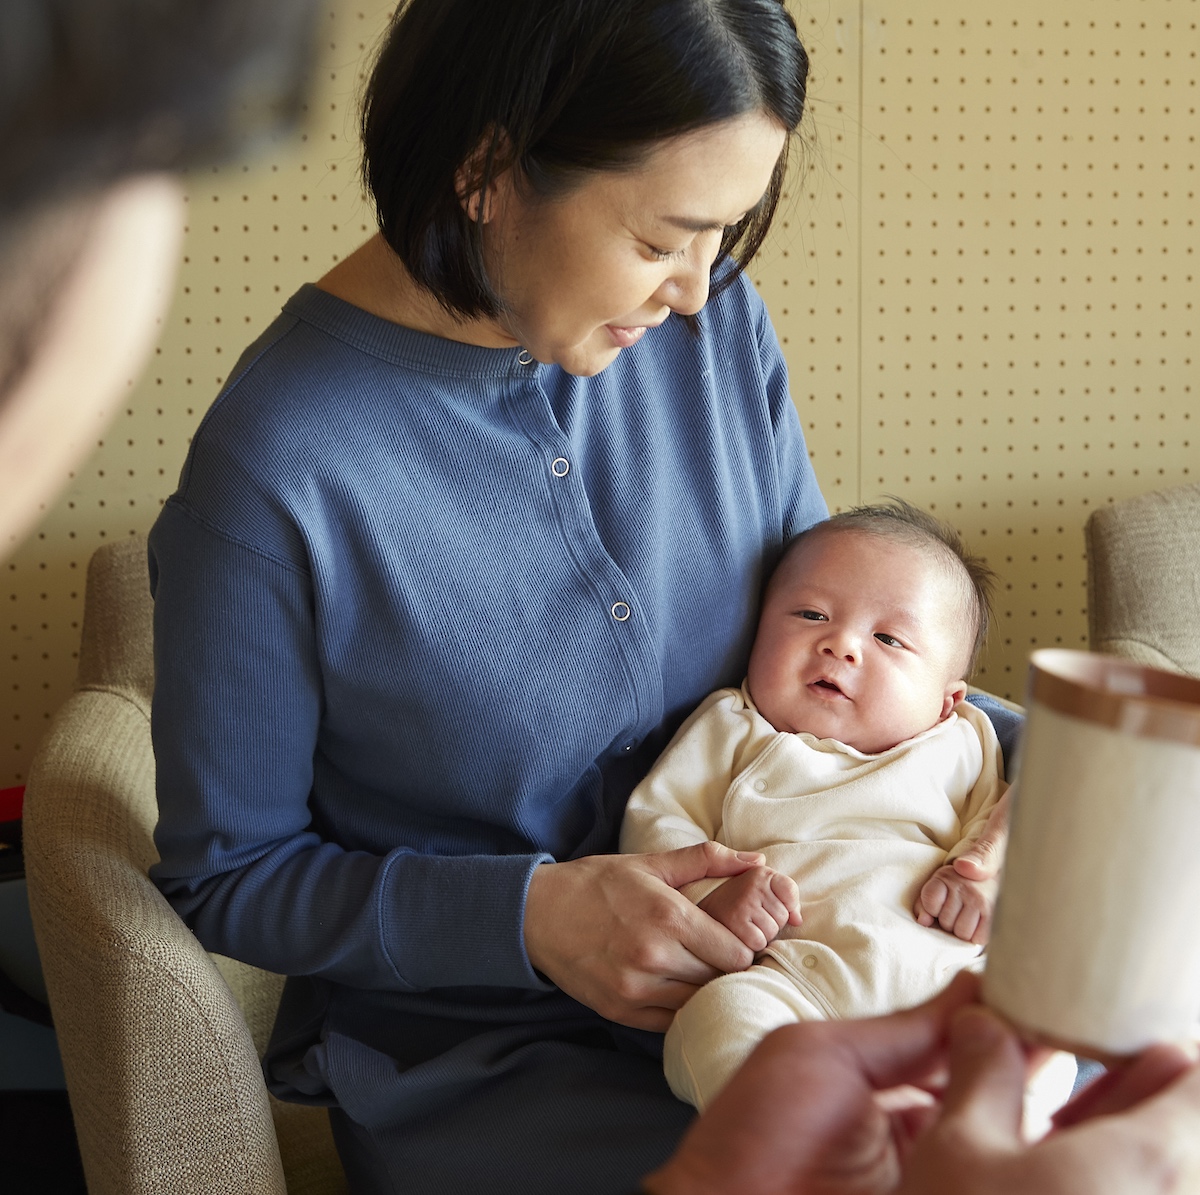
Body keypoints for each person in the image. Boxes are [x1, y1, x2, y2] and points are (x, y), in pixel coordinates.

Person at [5, 2, 1200, 1193]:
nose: (693, 289)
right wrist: (529, 919)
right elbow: (232, 875)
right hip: (497, 1059)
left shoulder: (716, 327)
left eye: (723, 235)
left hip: (820, 969)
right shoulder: (276, 471)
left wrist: (1056, 783)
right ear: (486, 168)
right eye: (662, 238)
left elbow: (842, 652)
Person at [621, 502, 1074, 1121]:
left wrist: (988, 890)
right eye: (811, 615)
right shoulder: (733, 728)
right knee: (716, 1024)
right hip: (790, 982)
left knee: (1045, 1034)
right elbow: (658, 833)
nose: (841, 644)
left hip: (944, 981)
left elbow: (1000, 836)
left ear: (948, 701)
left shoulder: (962, 741)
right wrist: (712, 900)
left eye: (888, 638)